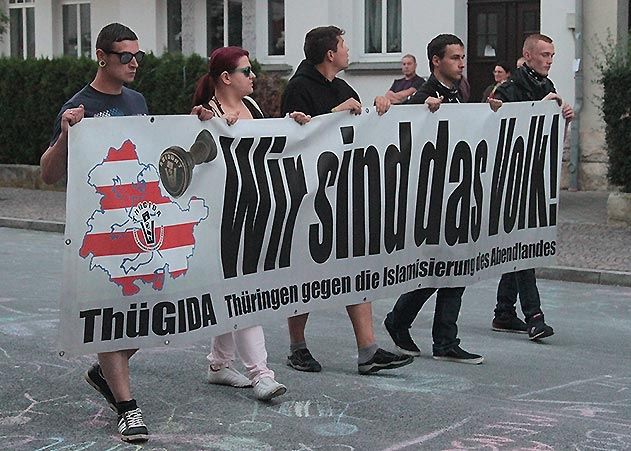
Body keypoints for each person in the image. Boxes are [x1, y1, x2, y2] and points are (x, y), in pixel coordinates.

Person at [40, 23, 212, 443]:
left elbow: (153, 152)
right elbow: (47, 173)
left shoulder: (137, 100)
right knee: (110, 316)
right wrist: (67, 135)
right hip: (101, 230)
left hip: (142, 223)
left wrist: (191, 125)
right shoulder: (78, 105)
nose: (134, 63)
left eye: (138, 56)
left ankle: (104, 370)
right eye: (125, 56)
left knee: (153, 311)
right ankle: (127, 408)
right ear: (102, 56)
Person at [281, 25, 414, 375]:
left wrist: (380, 107)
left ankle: (367, 349)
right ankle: (297, 347)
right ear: (329, 53)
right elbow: (296, 138)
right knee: (305, 272)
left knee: (355, 268)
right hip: (309, 196)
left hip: (344, 193)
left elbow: (359, 126)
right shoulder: (298, 87)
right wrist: (338, 112)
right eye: (343, 44)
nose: (347, 49)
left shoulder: (341, 86)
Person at [191, 46, 309, 400]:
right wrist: (205, 123)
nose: (253, 76)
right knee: (244, 292)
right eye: (246, 71)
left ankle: (218, 364)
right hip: (222, 217)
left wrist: (295, 125)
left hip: (254, 208)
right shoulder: (205, 112)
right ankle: (261, 374)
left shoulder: (253, 108)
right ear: (226, 78)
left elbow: (270, 146)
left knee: (237, 289)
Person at [384, 34, 484, 364]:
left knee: (453, 267)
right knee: (439, 267)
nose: (462, 63)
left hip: (459, 189)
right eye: (455, 58)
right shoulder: (423, 97)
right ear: (436, 62)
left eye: (463, 57)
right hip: (432, 197)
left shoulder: (463, 90)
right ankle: (430, 334)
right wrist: (425, 114)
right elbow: (406, 140)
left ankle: (431, 334)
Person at [488, 34, 574, 340]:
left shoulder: (546, 88)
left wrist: (562, 119)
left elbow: (550, 142)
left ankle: (504, 312)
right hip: (511, 180)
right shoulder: (509, 90)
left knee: (520, 246)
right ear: (528, 55)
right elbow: (501, 131)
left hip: (535, 179)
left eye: (552, 55)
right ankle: (534, 316)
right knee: (524, 246)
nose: (549, 60)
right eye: (544, 55)